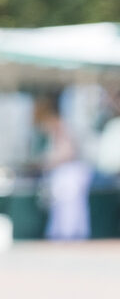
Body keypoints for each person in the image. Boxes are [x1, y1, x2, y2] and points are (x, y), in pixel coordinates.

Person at [39, 95, 92, 242]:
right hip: (64, 174)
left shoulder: (65, 128)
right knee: (61, 209)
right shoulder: (57, 131)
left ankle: (71, 235)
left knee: (71, 208)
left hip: (71, 174)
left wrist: (50, 162)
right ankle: (64, 234)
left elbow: (69, 153)